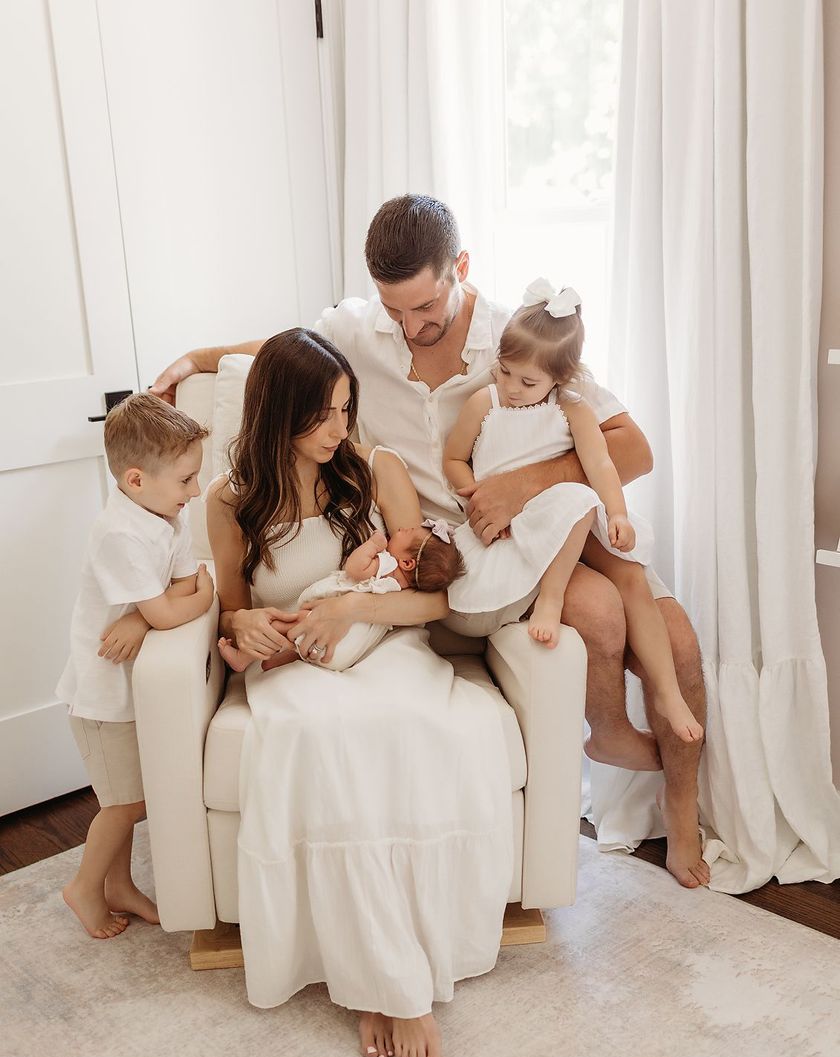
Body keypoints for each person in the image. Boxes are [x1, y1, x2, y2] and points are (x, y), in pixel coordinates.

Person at [150, 193, 709, 889]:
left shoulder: (519, 338)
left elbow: (632, 449)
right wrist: (193, 360)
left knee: (678, 637)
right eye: (394, 309)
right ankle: (608, 733)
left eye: (424, 308)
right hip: (458, 549)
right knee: (598, 614)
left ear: (460, 269)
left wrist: (525, 483)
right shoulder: (361, 333)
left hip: (539, 520)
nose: (410, 325)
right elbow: (279, 352)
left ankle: (684, 809)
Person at [205, 328, 512, 1057]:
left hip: (383, 645)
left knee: (399, 724)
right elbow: (233, 612)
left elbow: (430, 603)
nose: (340, 429)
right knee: (321, 739)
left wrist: (350, 611)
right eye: (323, 415)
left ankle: (385, 978)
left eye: (347, 409)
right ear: (277, 412)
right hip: (296, 664)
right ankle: (388, 982)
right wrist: (242, 622)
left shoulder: (377, 471)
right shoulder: (232, 499)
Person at [444, 279, 703, 746]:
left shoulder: (573, 409)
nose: (512, 388)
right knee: (577, 506)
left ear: (560, 380)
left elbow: (602, 464)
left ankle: (666, 693)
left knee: (631, 576)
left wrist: (619, 515)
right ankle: (552, 596)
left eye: (528, 382)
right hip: (518, 523)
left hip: (571, 513)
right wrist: (474, 495)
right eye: (504, 372)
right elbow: (454, 457)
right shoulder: (487, 402)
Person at [57, 394, 215, 939]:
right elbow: (182, 600)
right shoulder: (120, 533)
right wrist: (176, 607)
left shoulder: (165, 513)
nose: (195, 492)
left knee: (129, 796)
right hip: (102, 696)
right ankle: (84, 888)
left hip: (132, 686)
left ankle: (118, 884)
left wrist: (149, 618)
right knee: (123, 802)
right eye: (186, 480)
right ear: (135, 480)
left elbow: (179, 587)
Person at [218, 519, 464, 673]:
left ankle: (244, 657)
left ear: (408, 562)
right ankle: (282, 658)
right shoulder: (402, 587)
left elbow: (355, 570)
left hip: (341, 629)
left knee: (288, 622)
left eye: (407, 531)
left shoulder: (386, 564)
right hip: (352, 648)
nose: (400, 528)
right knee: (298, 635)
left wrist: (373, 545)